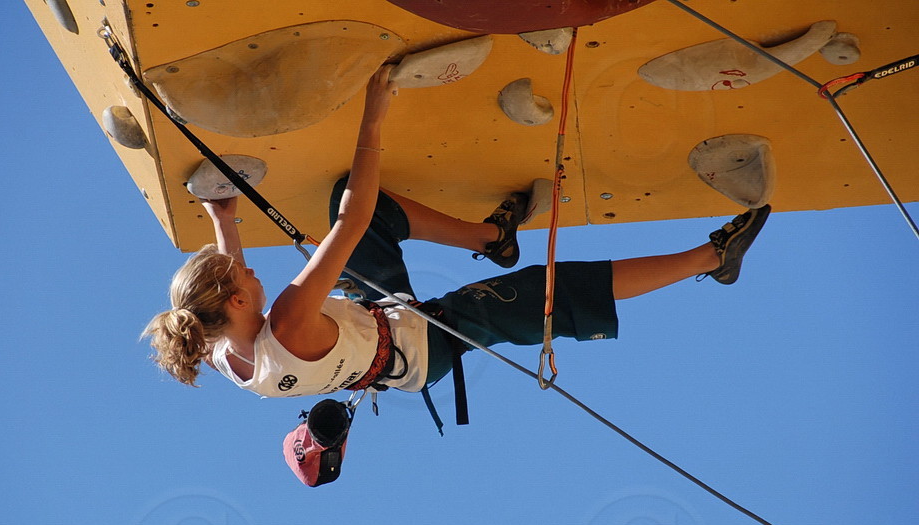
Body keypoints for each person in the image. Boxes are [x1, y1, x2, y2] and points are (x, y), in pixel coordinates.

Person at [144, 65, 770, 405]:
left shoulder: (223, 350)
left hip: (376, 325)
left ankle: (489, 238)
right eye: (242, 277)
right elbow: (351, 222)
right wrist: (374, 115)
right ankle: (712, 258)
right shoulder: (282, 319)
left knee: (358, 208)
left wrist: (223, 221)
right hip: (422, 342)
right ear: (234, 301)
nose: (253, 269)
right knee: (548, 292)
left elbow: (231, 285)